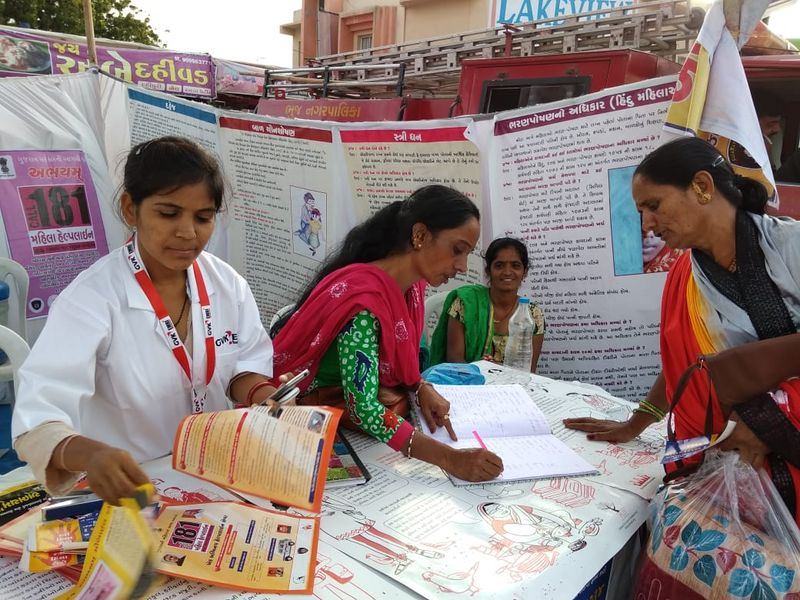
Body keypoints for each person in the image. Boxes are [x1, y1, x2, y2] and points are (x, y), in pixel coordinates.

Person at [12, 136, 281, 505]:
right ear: (130, 210)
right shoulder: (91, 299)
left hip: (216, 476)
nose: (188, 232)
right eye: (168, 214)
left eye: (203, 218)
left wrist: (263, 396)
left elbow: (242, 368)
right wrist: (91, 454)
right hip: (133, 486)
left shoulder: (227, 284)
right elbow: (37, 419)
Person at [564, 137, 800, 523]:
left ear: (702, 187)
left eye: (653, 206)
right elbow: (686, 363)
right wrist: (639, 420)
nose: (648, 225)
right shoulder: (684, 276)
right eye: (640, 212)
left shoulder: (791, 246)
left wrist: (769, 425)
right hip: (734, 469)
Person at [270, 185, 503, 483]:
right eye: (457, 250)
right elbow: (364, 409)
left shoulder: (412, 289)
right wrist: (449, 458)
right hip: (307, 423)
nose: (461, 266)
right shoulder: (364, 304)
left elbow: (401, 364)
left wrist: (420, 387)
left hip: (353, 424)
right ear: (419, 236)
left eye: (468, 254)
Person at [428, 237, 545, 371]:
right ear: (488, 271)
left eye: (515, 266)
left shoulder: (533, 315)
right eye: (499, 265)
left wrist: (496, 372)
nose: (507, 272)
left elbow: (529, 370)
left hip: (514, 387)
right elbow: (455, 361)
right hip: (468, 383)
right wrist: (482, 371)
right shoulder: (465, 303)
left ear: (525, 272)